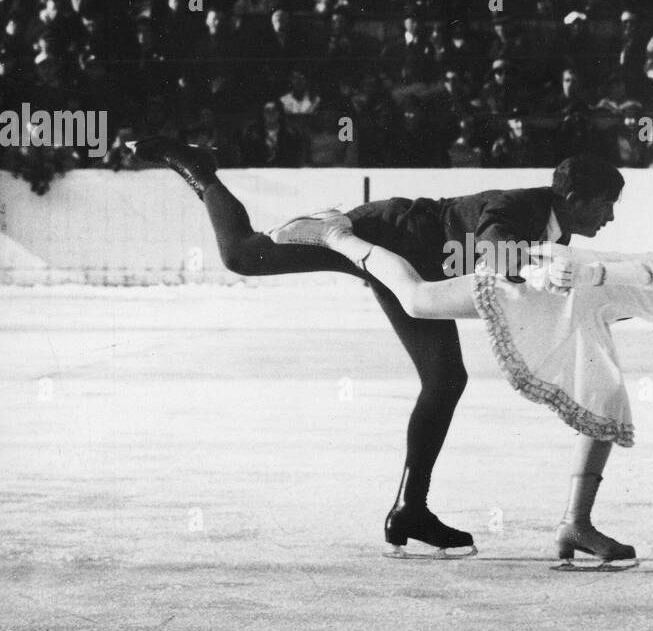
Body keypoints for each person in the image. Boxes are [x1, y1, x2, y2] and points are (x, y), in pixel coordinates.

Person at [127, 139, 624, 559]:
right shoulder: (525, 207)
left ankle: (411, 509)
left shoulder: (550, 225)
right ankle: (195, 167)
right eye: (606, 204)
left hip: (413, 267)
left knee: (446, 379)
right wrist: (541, 272)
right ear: (576, 198)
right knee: (242, 255)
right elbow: (495, 251)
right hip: (383, 233)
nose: (611, 216)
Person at [277, 207, 653, 568]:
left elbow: (634, 282)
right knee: (417, 300)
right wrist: (590, 271)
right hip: (548, 292)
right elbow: (641, 270)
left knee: (607, 403)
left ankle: (575, 524)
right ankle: (336, 234)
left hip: (570, 305)